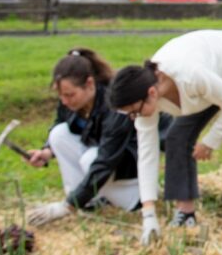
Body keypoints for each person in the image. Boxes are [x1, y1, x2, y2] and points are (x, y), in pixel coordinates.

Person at [109, 30, 222, 253]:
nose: (134, 118)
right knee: (177, 138)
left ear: (151, 92)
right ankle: (186, 212)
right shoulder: (146, 102)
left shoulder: (189, 76)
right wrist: (148, 214)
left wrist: (210, 141)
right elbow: (147, 153)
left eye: (134, 112)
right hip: (214, 78)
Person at [26, 48, 172, 225]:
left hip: (127, 167)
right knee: (58, 135)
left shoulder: (114, 105)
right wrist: (47, 151)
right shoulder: (69, 100)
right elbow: (60, 121)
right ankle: (87, 200)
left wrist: (67, 205)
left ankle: (87, 201)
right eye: (61, 95)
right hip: (100, 157)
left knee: (90, 159)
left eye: (70, 95)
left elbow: (105, 160)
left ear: (89, 83)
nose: (64, 101)